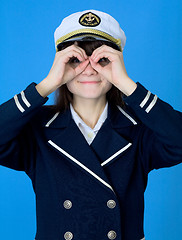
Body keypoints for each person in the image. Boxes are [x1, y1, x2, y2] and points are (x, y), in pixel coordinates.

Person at [0, 9, 181, 240]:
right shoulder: (36, 129)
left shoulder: (141, 128)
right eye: (75, 59)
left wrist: (128, 85)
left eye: (102, 59)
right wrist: (46, 85)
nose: (88, 68)